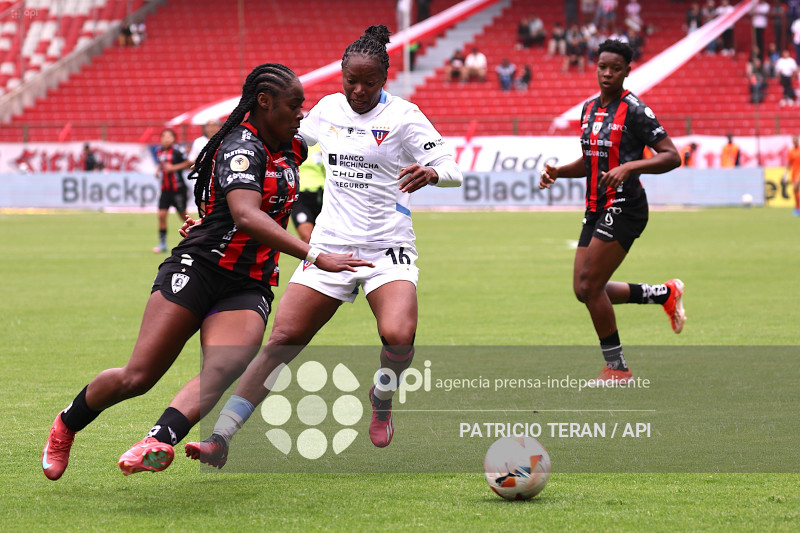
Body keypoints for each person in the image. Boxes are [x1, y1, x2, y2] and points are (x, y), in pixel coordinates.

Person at [40, 63, 372, 481]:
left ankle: (157, 440)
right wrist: (315, 254)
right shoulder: (240, 146)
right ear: (264, 103)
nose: (301, 113)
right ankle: (66, 424)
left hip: (249, 281)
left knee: (225, 365)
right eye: (293, 105)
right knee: (137, 376)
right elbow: (246, 215)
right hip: (199, 267)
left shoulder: (293, 146)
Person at [184, 24, 463, 467]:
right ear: (341, 76)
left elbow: (451, 167)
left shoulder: (404, 116)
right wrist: (215, 214)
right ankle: (221, 437)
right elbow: (284, 145)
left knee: (398, 336)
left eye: (369, 82)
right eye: (351, 80)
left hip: (387, 247)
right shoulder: (328, 109)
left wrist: (432, 172)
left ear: (385, 78)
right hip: (330, 243)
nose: (358, 91)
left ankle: (382, 396)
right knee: (283, 339)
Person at [539, 39, 684, 386]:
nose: (607, 73)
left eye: (615, 68)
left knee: (590, 285)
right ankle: (664, 294)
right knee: (583, 288)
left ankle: (617, 369)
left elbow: (672, 156)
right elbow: (591, 162)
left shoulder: (636, 110)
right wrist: (559, 172)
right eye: (603, 67)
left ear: (627, 71)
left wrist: (630, 166)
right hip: (595, 206)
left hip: (625, 206)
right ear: (596, 67)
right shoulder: (588, 109)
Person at [152, 128, 192, 253]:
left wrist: (174, 168)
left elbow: (188, 163)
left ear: (174, 139)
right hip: (165, 190)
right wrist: (158, 170)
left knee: (183, 216)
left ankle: (196, 236)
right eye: (164, 136)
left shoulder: (177, 151)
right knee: (161, 215)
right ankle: (162, 244)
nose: (167, 139)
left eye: (169, 137)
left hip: (178, 190)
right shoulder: (159, 151)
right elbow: (162, 163)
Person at [291, 142, 325, 243]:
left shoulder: (322, 145)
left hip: (322, 196)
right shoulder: (293, 145)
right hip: (301, 197)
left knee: (326, 238)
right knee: (307, 237)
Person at [783, 134, 800, 215]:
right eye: (793, 140)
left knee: (795, 187)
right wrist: (786, 174)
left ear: (798, 140)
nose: (794, 141)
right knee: (795, 190)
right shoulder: (791, 151)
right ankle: (797, 208)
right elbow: (789, 163)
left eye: (795, 140)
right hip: (794, 172)